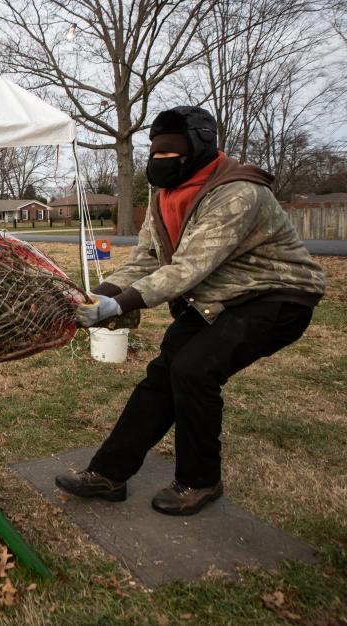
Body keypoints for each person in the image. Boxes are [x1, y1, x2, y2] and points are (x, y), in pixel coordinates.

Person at [56, 106, 326, 516]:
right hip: (221, 298)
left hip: (277, 297)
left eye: (171, 153)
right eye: (155, 153)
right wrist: (99, 294)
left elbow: (188, 267)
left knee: (195, 370)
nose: (159, 162)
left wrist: (122, 304)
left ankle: (200, 481)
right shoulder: (166, 195)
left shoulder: (239, 193)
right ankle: (108, 475)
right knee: (163, 375)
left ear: (200, 147)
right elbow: (149, 257)